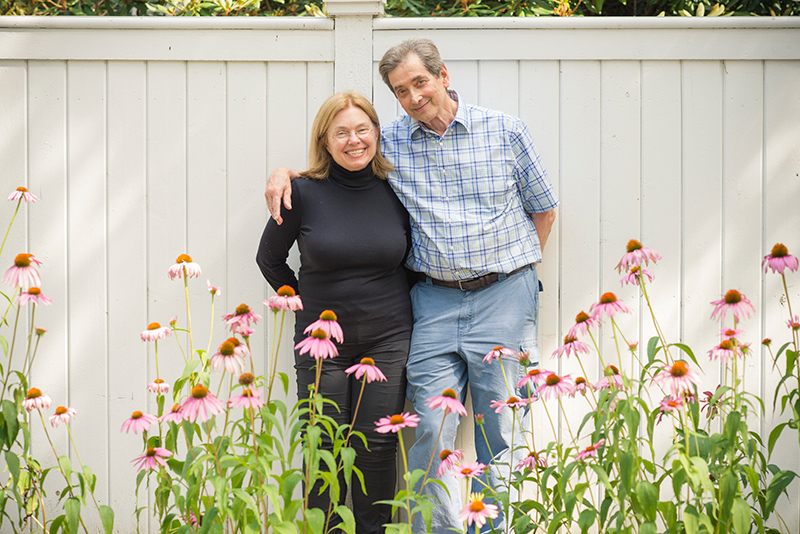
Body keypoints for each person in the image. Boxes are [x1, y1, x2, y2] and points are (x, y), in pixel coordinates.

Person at [265, 39, 558, 534]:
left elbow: (544, 208)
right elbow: (341, 164)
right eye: (401, 91)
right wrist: (285, 173)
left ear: (443, 76)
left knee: (502, 431)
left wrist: (516, 276)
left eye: (419, 82)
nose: (413, 96)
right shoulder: (393, 142)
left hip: (505, 296)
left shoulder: (504, 130)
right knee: (427, 431)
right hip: (433, 302)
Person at [256, 91, 413, 534]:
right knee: (322, 445)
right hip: (322, 345)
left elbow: (415, 263)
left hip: (388, 339)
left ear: (377, 134)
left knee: (378, 447)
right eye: (341, 132)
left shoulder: (399, 188)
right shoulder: (301, 192)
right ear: (325, 140)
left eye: (363, 129)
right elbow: (269, 260)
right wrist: (307, 311)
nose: (354, 140)